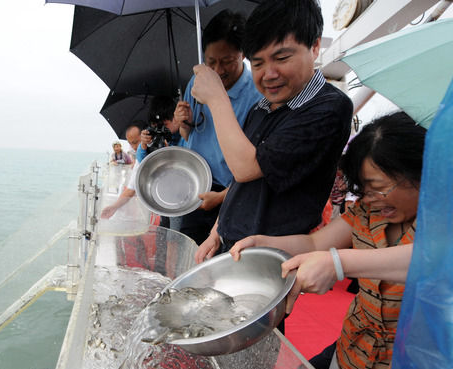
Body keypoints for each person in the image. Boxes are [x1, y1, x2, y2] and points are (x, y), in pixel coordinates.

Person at [229, 111, 426, 369]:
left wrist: (339, 262)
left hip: (419, 368)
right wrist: (265, 242)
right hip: (357, 350)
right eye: (364, 190)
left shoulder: (442, 220)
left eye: (380, 187)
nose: (371, 199)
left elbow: (429, 261)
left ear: (420, 172)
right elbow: (314, 244)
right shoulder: (366, 212)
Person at [192, 0, 353, 263]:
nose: (269, 74)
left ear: (314, 46)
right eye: (257, 64)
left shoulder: (329, 108)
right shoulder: (261, 107)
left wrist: (217, 98)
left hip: (271, 255)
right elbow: (240, 182)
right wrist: (216, 232)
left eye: (281, 58)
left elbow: (247, 167)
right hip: (231, 246)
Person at [174, 9, 262, 245]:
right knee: (189, 251)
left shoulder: (256, 95)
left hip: (231, 191)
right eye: (211, 61)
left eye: (227, 62)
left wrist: (222, 197)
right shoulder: (198, 80)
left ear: (242, 54)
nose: (218, 71)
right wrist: (184, 122)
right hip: (195, 184)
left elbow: (255, 164)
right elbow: (187, 133)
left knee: (222, 260)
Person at [102, 98, 181, 222]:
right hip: (165, 201)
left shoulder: (177, 140)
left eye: (136, 142)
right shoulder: (142, 153)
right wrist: (114, 207)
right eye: (130, 144)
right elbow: (132, 187)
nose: (134, 147)